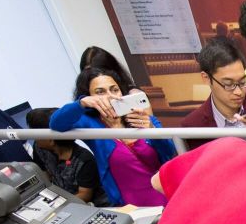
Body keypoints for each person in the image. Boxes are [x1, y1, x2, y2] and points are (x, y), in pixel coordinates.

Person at [49, 67, 176, 207]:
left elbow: (169, 152)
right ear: (90, 96)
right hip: (132, 205)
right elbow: (56, 123)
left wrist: (151, 129)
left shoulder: (138, 113)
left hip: (167, 194)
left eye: (114, 89)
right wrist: (81, 103)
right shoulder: (90, 122)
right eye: (100, 92)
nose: (110, 95)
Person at [181, 37, 246, 150]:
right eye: (229, 85)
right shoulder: (193, 125)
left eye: (242, 82)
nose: (238, 92)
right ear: (206, 78)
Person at [25, 107, 107, 205]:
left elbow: (84, 195)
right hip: (60, 198)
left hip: (86, 205)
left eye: (36, 133)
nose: (34, 137)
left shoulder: (84, 160)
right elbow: (44, 176)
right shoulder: (40, 148)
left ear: (51, 140)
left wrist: (56, 204)